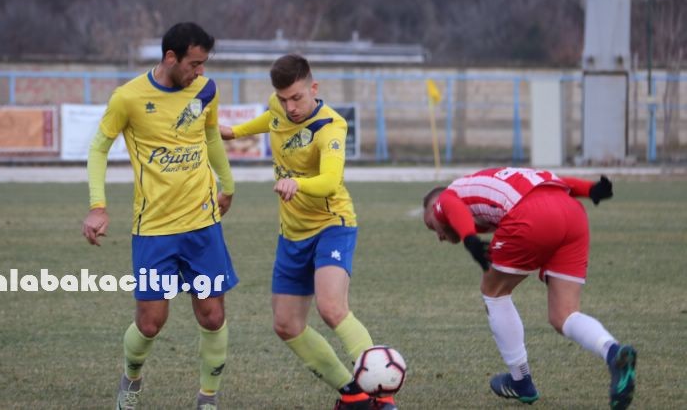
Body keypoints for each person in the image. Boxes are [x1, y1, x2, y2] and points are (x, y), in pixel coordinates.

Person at [221, 54, 392, 410]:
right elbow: (271, 119)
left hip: (332, 225)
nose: (290, 107)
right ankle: (353, 394)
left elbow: (330, 181)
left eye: (297, 98)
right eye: (283, 99)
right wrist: (235, 132)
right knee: (286, 325)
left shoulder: (331, 126)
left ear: (313, 88)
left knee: (331, 308)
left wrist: (296, 183)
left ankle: (383, 393)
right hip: (291, 234)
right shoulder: (279, 106)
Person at [81, 22, 237, 410]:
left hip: (202, 226)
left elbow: (211, 136)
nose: (200, 71)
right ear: (171, 57)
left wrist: (228, 184)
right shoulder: (128, 98)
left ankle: (208, 398)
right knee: (150, 323)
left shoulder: (206, 90)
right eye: (194, 63)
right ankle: (131, 379)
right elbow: (99, 149)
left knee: (212, 316)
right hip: (154, 230)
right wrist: (98, 206)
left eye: (204, 64)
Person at [421, 167, 637, 409]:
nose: (438, 235)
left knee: (493, 292)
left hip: (532, 213)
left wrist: (469, 238)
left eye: (431, 225)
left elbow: (448, 204)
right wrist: (590, 189)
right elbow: (555, 181)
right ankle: (613, 353)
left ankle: (520, 381)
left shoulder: (448, 195)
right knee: (564, 315)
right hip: (572, 214)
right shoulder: (490, 186)